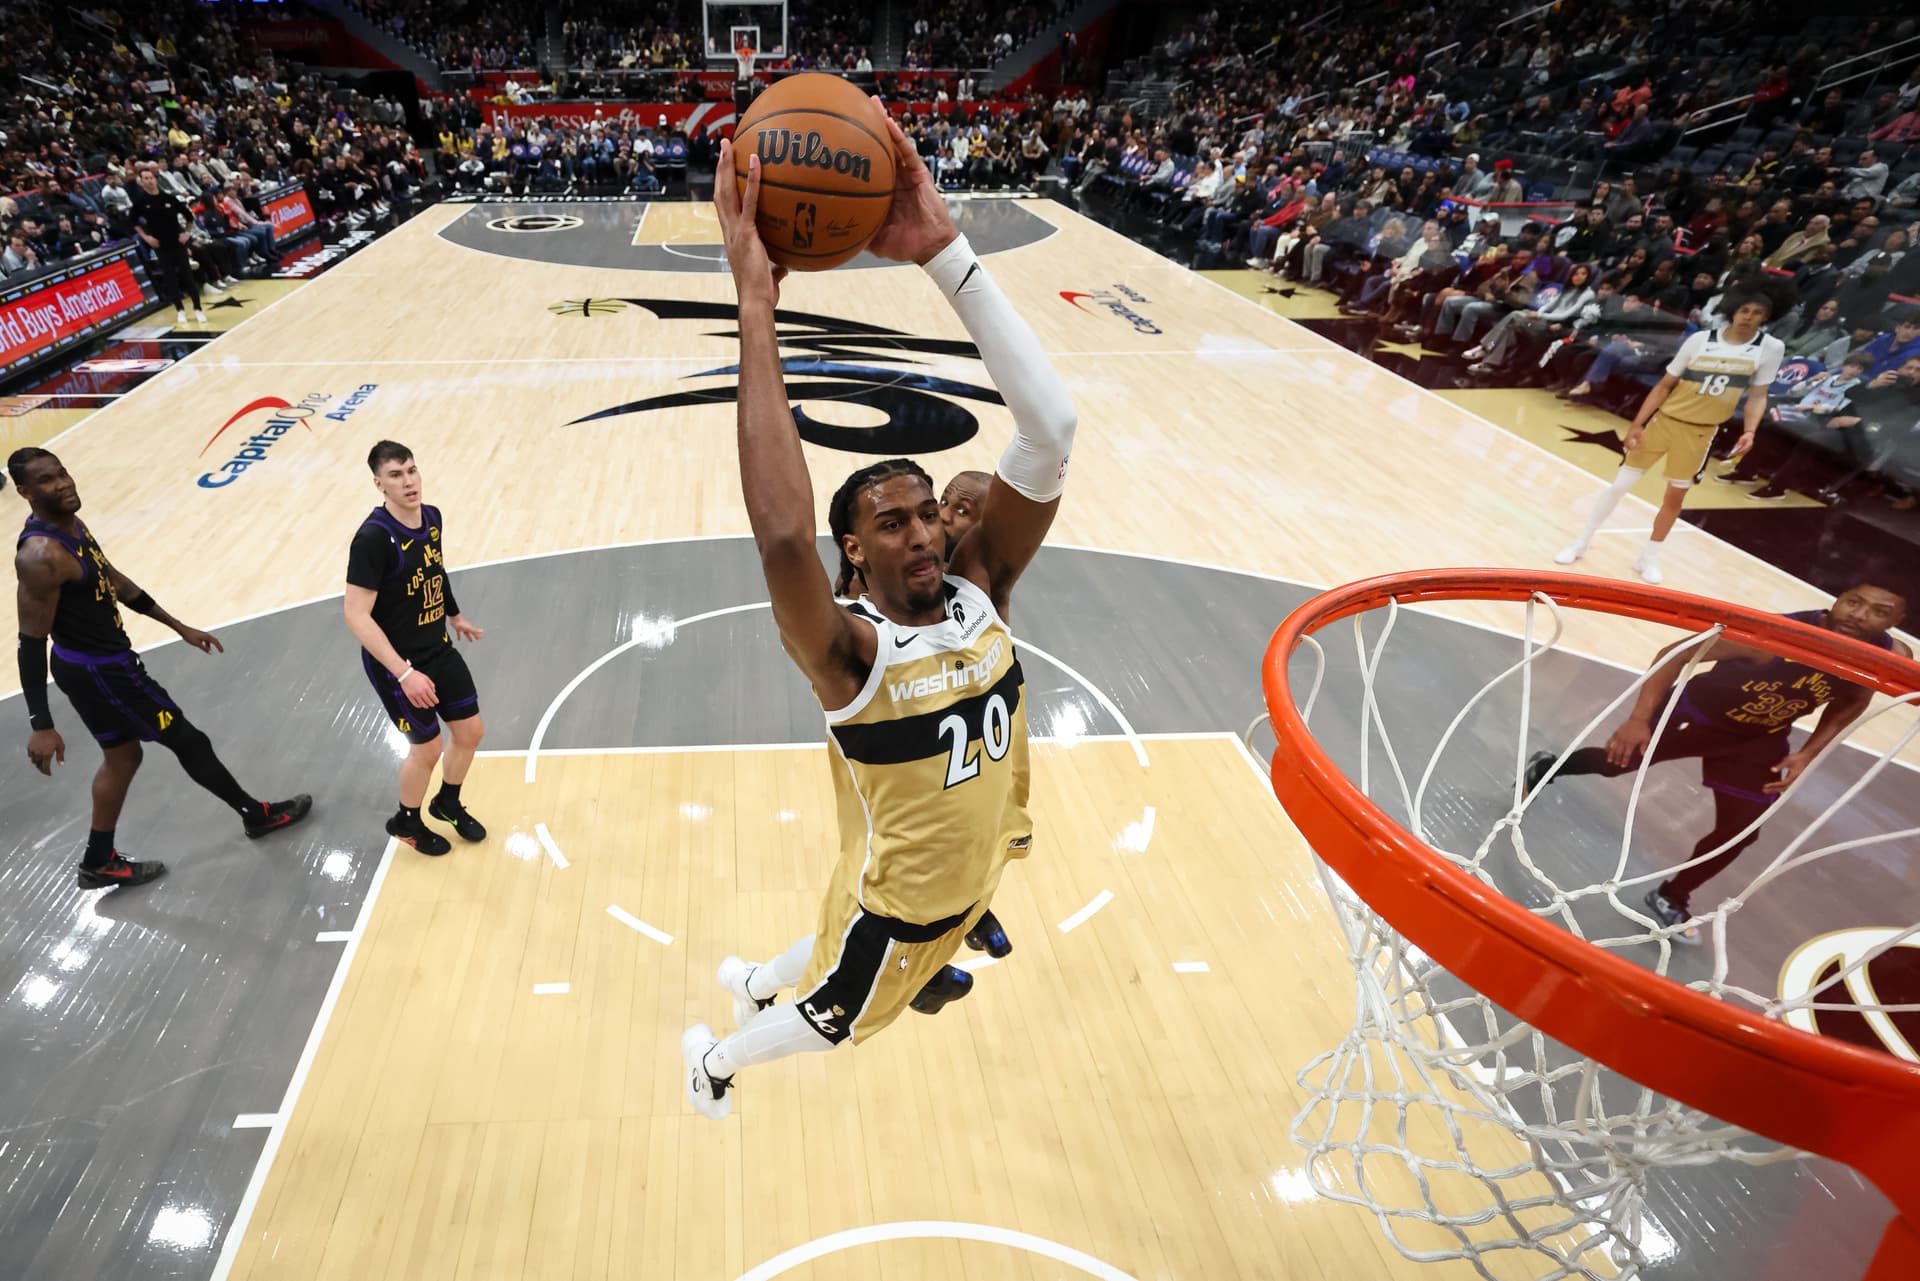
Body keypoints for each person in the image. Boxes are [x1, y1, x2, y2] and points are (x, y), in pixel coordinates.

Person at [684, 98, 1076, 1119]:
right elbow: (780, 536)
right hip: (901, 905)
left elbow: (1051, 432)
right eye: (891, 521)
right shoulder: (853, 655)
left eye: (926, 516)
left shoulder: (981, 595)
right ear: (852, 550)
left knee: (821, 943)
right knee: (840, 1017)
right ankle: (713, 1061)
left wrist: (945, 252)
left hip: (974, 875)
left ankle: (753, 980)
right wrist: (755, 305)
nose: (921, 533)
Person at [1523, 583, 1910, 938]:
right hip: (1695, 715)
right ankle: (1547, 767)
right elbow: (1674, 655)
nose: (1859, 615)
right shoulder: (1771, 637)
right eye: (1853, 602)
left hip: (1759, 737)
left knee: (1742, 830)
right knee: (1615, 764)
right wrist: (1639, 718)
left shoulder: (1887, 658)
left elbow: (1852, 702)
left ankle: (1671, 897)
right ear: (1837, 600)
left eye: (1878, 611)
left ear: (1895, 623)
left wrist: (1808, 753)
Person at [11, 448, 311, 889]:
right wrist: (41, 723)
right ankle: (255, 814)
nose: (63, 484)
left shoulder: (71, 522)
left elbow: (112, 580)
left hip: (98, 665)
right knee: (189, 740)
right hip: (102, 671)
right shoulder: (40, 555)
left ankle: (99, 861)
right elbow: (30, 641)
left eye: (63, 473)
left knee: (124, 756)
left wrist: (177, 625)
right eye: (47, 480)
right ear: (24, 492)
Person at [1556, 290, 1784, 583]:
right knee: (1619, 485)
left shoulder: (1770, 348)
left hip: (1700, 433)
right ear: (1732, 311)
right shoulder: (1700, 340)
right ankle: (1581, 541)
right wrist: (1638, 423)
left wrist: (1750, 431)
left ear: (1765, 317)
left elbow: (1758, 395)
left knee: (1674, 498)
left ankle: (1648, 558)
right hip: (1664, 422)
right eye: (1744, 309)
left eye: (1756, 312)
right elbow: (1664, 385)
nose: (1748, 316)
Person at [342, 442, 487, 857]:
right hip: (396, 665)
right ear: (378, 484)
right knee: (427, 748)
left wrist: (455, 616)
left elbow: (433, 571)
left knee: (471, 732)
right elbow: (355, 615)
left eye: (411, 471)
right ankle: (406, 821)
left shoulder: (432, 516)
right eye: (395, 475)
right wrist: (404, 674)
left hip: (437, 648)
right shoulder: (372, 539)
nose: (408, 482)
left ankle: (448, 802)